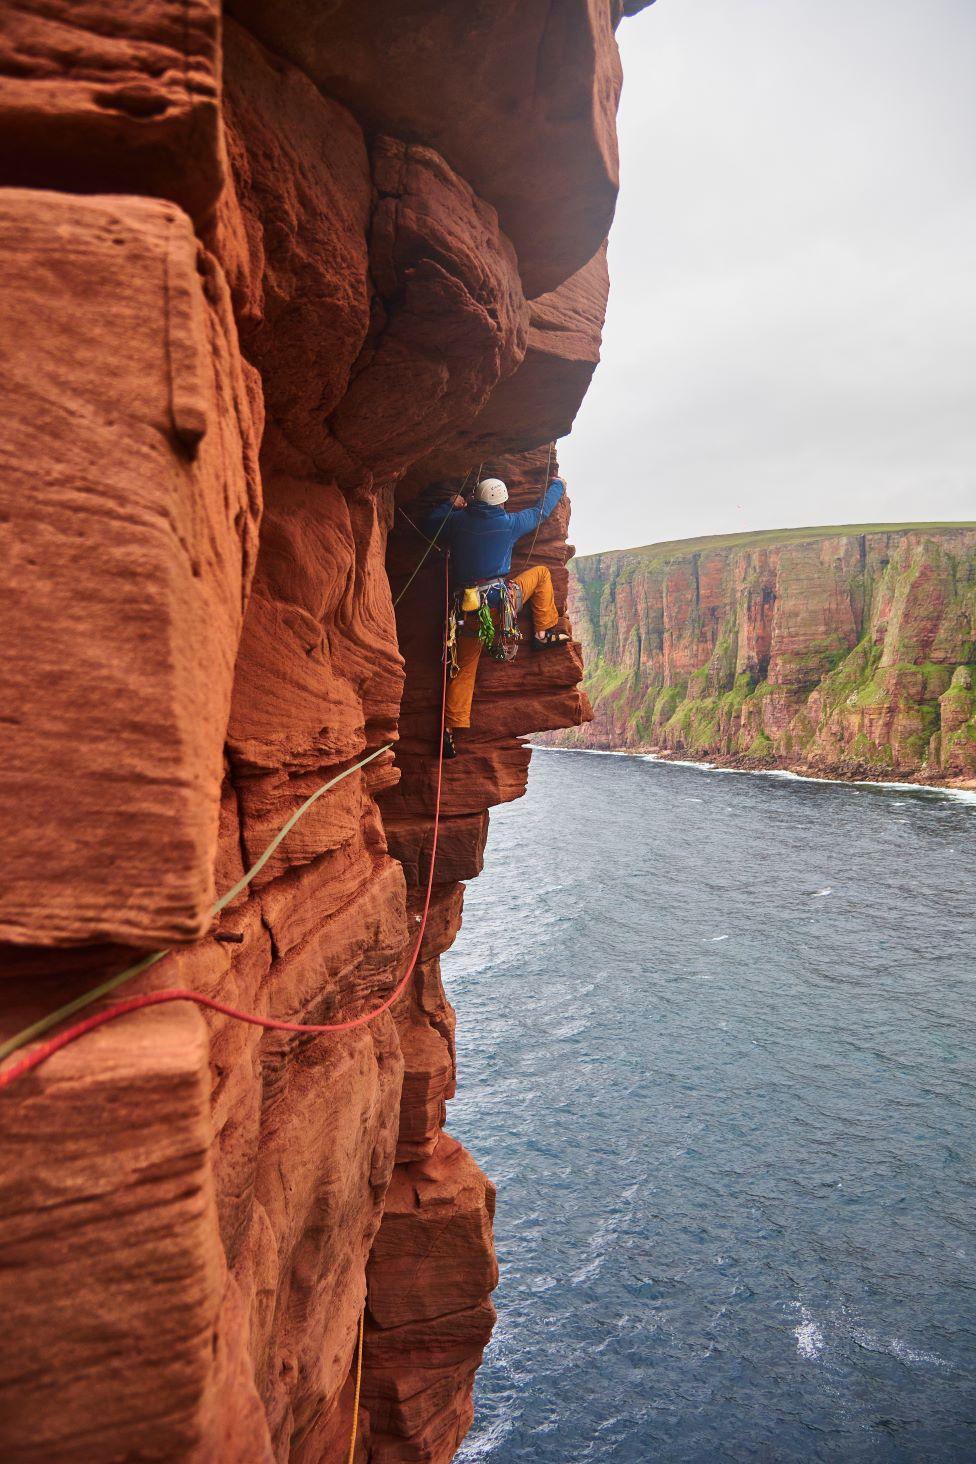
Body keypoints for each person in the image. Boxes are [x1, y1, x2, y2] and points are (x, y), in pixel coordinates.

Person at [421, 475, 570, 757]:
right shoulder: (508, 524)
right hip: (501, 603)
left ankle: (449, 731)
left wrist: (450, 505)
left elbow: (431, 525)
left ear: (476, 498)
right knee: (540, 574)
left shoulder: (459, 520)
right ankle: (544, 631)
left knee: (464, 669)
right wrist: (557, 486)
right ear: (502, 502)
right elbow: (540, 512)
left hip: (468, 609)